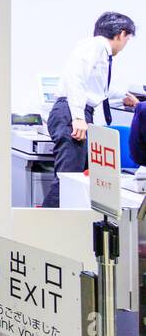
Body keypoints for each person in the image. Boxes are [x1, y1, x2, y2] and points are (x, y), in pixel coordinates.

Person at [43, 12, 138, 207]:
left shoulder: (100, 52)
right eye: (127, 39)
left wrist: (125, 97)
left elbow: (96, 86)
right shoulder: (95, 45)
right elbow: (75, 78)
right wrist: (78, 118)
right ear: (121, 34)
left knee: (81, 181)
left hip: (77, 112)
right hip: (72, 113)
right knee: (69, 181)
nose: (125, 44)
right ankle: (39, 233)